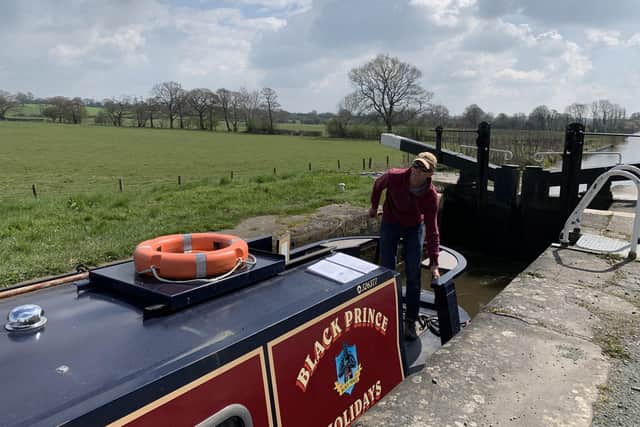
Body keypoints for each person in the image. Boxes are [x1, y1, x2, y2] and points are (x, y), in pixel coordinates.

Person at [368, 152, 440, 341]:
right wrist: (374, 207)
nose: (416, 171)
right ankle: (387, 311)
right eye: (415, 165)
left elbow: (433, 230)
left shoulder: (431, 196)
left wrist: (434, 263)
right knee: (386, 267)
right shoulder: (394, 176)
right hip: (391, 219)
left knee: (413, 271)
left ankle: (410, 320)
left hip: (414, 225)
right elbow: (377, 185)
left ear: (429, 174)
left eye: (422, 168)